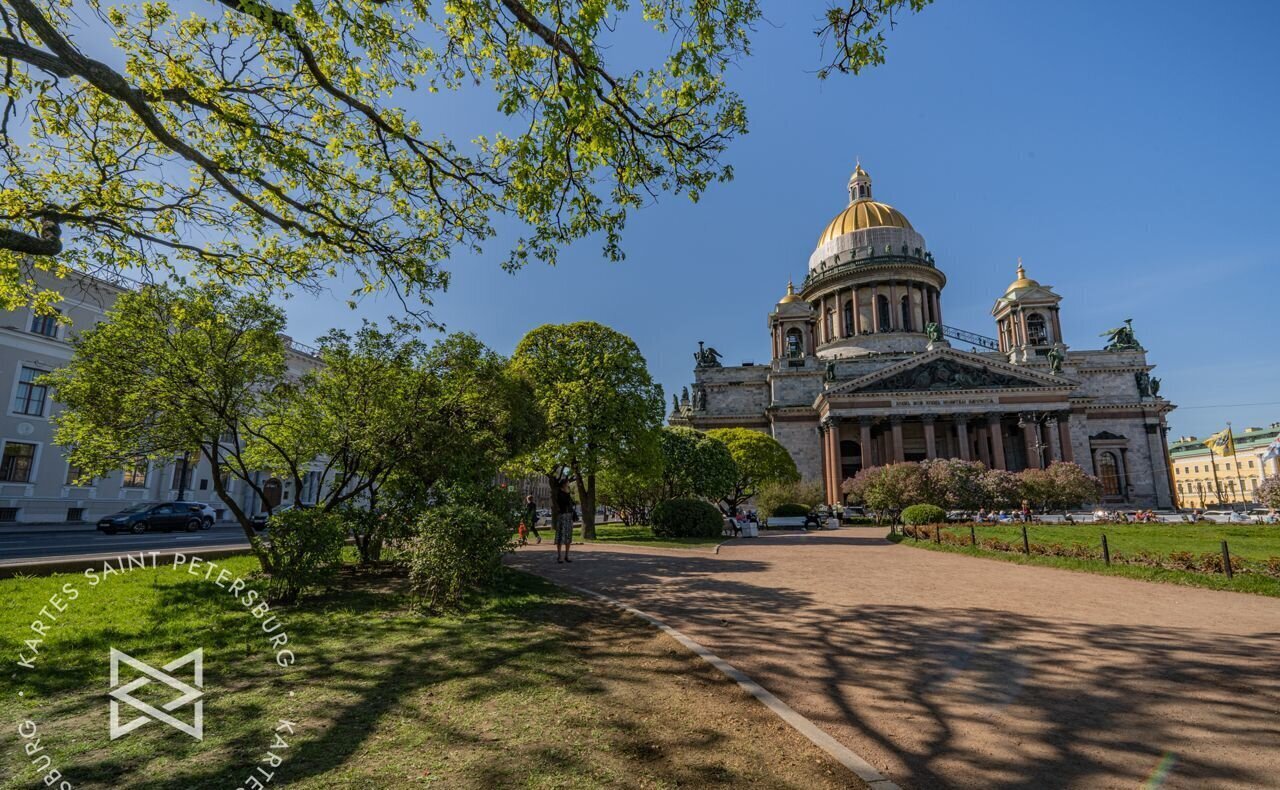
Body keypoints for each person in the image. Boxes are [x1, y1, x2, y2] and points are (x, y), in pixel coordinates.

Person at [552, 480, 576, 564]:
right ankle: (559, 556)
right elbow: (563, 503)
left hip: (569, 516)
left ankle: (566, 556)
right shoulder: (560, 493)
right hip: (562, 516)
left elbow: (572, 503)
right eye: (567, 484)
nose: (568, 485)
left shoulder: (567, 493)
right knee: (561, 536)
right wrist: (568, 494)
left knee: (568, 537)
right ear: (563, 485)